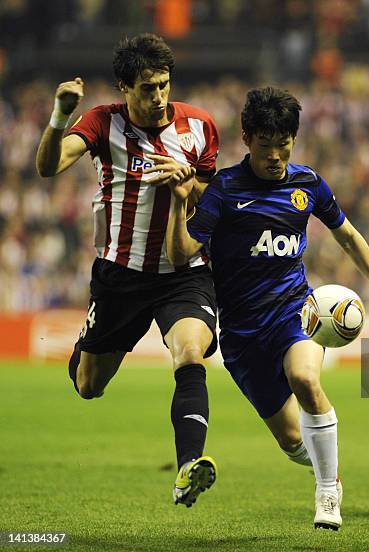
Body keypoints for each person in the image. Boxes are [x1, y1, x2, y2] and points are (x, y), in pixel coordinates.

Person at [158, 86, 369, 530]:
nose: (276, 155)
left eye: (284, 144)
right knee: (293, 439)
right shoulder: (224, 189)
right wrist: (181, 201)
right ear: (247, 139)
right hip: (242, 337)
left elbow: (349, 237)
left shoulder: (308, 184)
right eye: (266, 146)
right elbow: (181, 253)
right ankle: (328, 469)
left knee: (304, 377)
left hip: (295, 312)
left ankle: (327, 496)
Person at [35, 33, 221, 508]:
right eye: (146, 88)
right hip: (120, 276)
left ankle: (188, 467)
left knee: (191, 354)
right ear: (124, 87)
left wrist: (189, 186)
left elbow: (213, 199)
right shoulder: (101, 123)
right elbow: (48, 165)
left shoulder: (199, 126)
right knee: (88, 385)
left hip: (184, 271)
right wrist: (59, 116)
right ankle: (85, 350)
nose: (157, 97)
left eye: (163, 85)